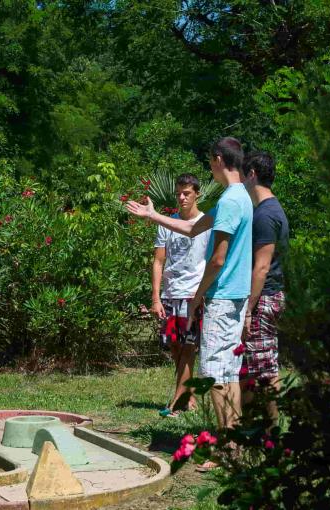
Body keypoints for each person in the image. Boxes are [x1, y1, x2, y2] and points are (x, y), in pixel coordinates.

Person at [127, 138, 252, 469]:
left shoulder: (230, 201)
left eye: (210, 162)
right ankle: (234, 445)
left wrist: (198, 298)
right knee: (228, 372)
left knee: (214, 373)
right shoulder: (240, 197)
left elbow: (218, 258)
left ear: (217, 159)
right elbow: (190, 228)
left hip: (222, 298)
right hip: (234, 298)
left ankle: (228, 448)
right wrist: (153, 216)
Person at [152, 174, 211, 417]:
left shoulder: (206, 222)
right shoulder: (167, 222)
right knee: (176, 348)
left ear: (197, 193)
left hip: (193, 293)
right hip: (170, 293)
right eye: (178, 193)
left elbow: (213, 260)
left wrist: (205, 292)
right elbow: (158, 261)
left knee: (189, 348)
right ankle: (188, 396)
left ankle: (179, 399)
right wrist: (156, 297)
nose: (182, 197)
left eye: (186, 193)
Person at [239, 151, 289, 427]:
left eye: (245, 175)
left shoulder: (265, 215)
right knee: (258, 365)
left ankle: (270, 432)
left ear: (252, 174)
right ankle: (254, 427)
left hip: (264, 297)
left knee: (265, 370)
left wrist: (248, 309)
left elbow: (261, 268)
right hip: (270, 295)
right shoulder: (271, 209)